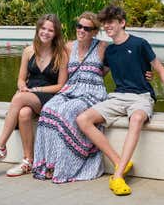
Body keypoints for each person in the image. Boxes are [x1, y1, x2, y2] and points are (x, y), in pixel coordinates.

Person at [77, 4, 164, 196]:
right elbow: (98, 74)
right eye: (104, 23)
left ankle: (118, 176)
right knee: (82, 119)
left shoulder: (139, 44)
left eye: (111, 22)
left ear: (122, 23)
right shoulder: (110, 51)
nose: (107, 26)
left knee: (136, 119)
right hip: (117, 97)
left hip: (141, 97)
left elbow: (159, 69)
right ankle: (121, 162)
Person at [0, 13, 67, 176]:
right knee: (24, 113)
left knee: (19, 98)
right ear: (38, 29)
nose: (46, 32)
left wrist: (36, 91)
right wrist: (23, 87)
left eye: (50, 30)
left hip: (50, 96)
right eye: (43, 28)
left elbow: (61, 86)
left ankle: (0, 147)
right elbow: (21, 79)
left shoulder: (60, 54)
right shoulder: (28, 51)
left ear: (55, 34)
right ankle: (28, 160)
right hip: (29, 95)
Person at [31, 12, 108, 182]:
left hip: (92, 92)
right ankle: (49, 163)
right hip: (70, 89)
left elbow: (115, 68)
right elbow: (60, 74)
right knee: (48, 109)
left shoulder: (103, 47)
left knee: (68, 110)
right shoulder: (68, 47)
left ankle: (65, 166)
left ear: (95, 31)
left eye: (87, 28)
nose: (81, 30)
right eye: (79, 26)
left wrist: (145, 74)